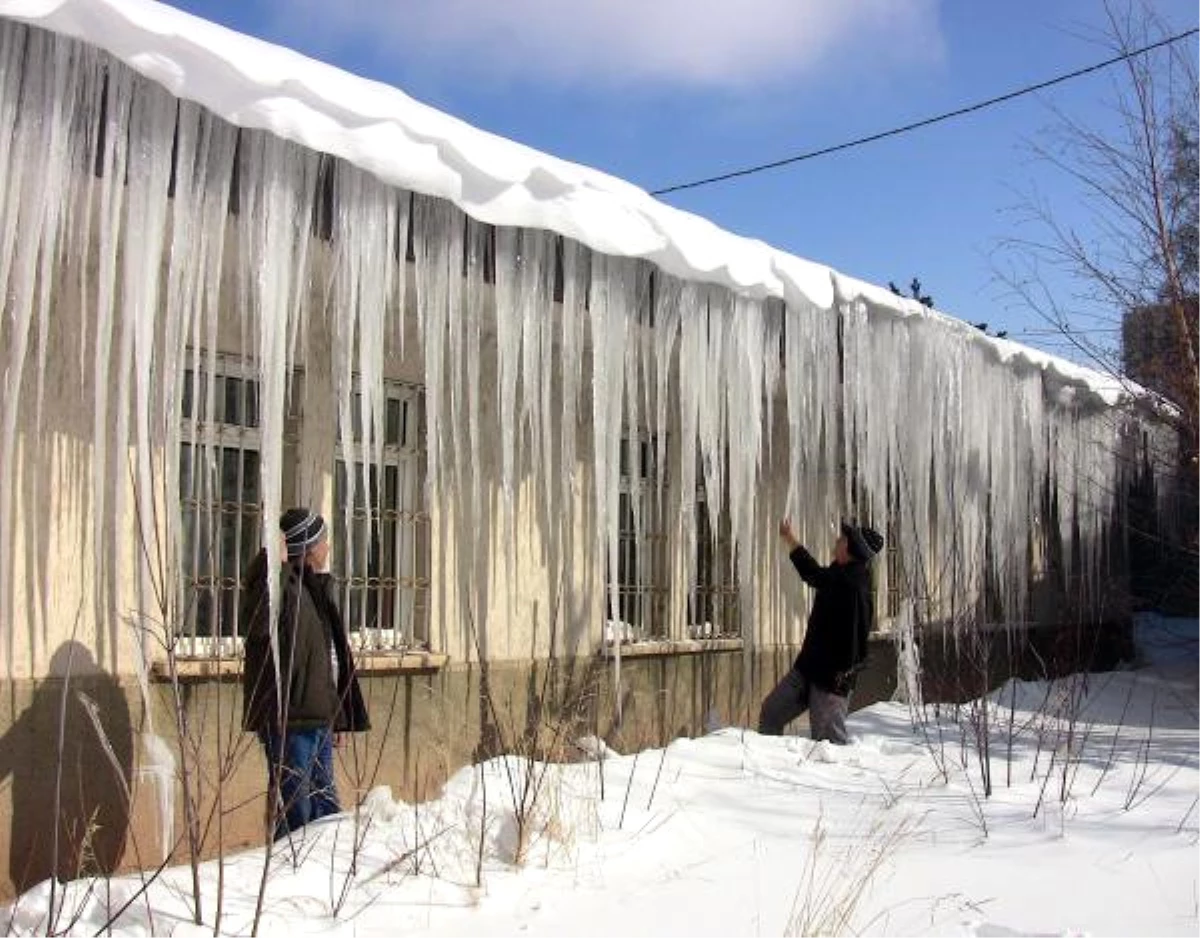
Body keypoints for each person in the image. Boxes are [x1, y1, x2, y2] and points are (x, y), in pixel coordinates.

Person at [241, 508, 370, 840]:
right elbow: (256, 624)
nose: (328, 546)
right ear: (309, 546)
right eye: (323, 540)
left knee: (325, 809)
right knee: (297, 812)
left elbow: (326, 659)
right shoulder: (276, 586)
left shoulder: (311, 589)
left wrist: (336, 715)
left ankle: (322, 877)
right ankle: (290, 879)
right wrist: (277, 565)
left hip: (315, 718)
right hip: (290, 720)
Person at [758, 518, 883, 744]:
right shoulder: (839, 573)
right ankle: (771, 769)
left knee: (828, 743)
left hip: (831, 680)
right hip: (807, 669)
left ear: (850, 549)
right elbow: (814, 574)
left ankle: (834, 776)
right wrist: (790, 540)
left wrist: (843, 676)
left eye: (843, 538)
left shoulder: (855, 588)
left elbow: (857, 636)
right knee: (771, 713)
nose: (837, 540)